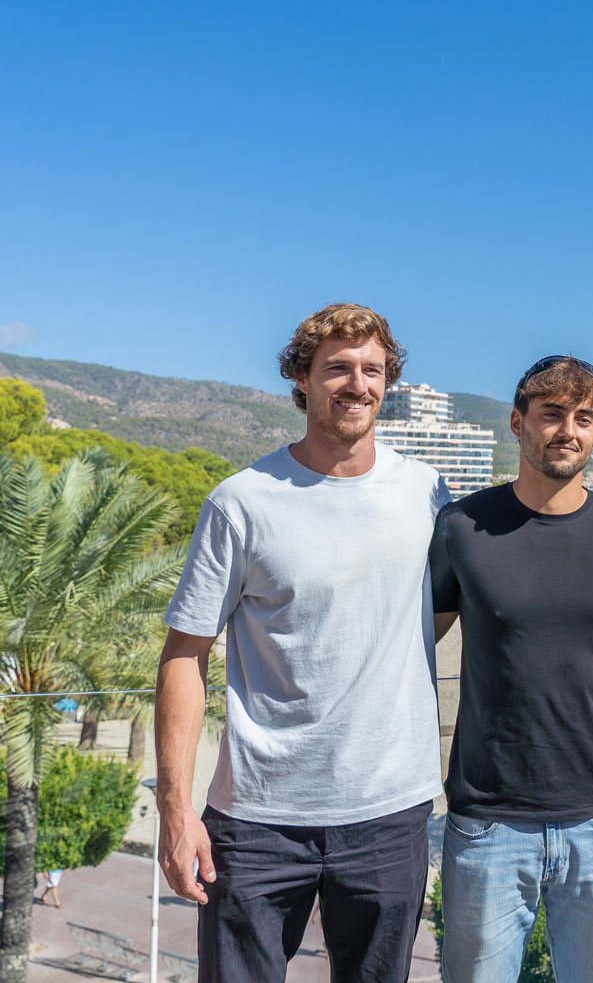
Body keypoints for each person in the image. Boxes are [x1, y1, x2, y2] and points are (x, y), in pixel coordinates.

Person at [155, 303, 449, 982]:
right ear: (301, 380)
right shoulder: (242, 501)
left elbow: (498, 560)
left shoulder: (425, 493)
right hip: (256, 820)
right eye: (338, 369)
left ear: (388, 383)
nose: (357, 385)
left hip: (388, 814)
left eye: (372, 370)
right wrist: (175, 813)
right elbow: (183, 655)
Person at [430, 355, 593, 983]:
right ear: (517, 423)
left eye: (584, 418)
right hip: (488, 822)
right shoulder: (461, 529)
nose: (567, 429)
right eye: (551, 415)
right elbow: (406, 650)